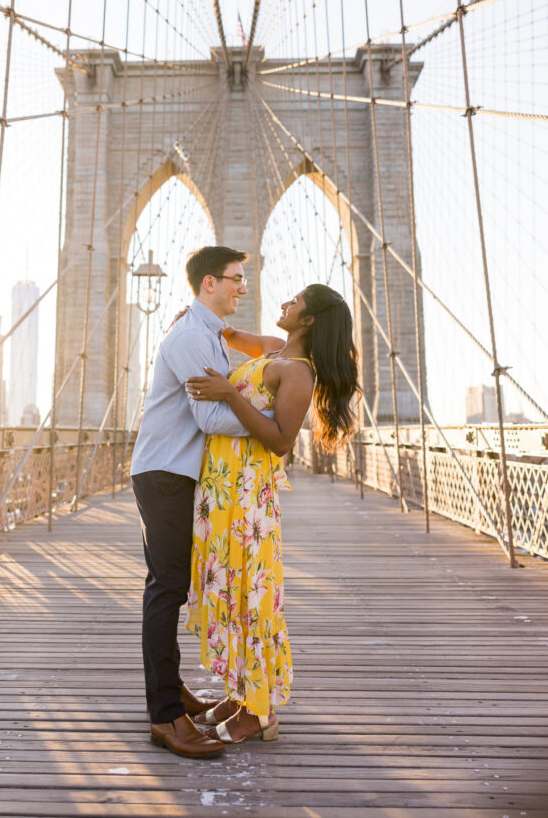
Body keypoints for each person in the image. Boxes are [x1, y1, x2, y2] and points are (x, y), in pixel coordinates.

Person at [184, 283, 360, 744]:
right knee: (229, 589)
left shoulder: (299, 372)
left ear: (310, 319)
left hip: (247, 497)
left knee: (250, 599)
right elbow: (229, 334)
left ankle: (259, 711)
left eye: (295, 301)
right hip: (222, 490)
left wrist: (228, 393)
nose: (285, 302)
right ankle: (240, 692)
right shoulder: (276, 350)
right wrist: (192, 319)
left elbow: (281, 440)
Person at [131, 245, 269, 759]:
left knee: (170, 584)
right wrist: (273, 430)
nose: (243, 287)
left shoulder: (205, 333)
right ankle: (165, 715)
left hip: (175, 471)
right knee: (166, 588)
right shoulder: (192, 335)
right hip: (165, 471)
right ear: (208, 283)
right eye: (236, 279)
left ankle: (175, 693)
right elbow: (211, 419)